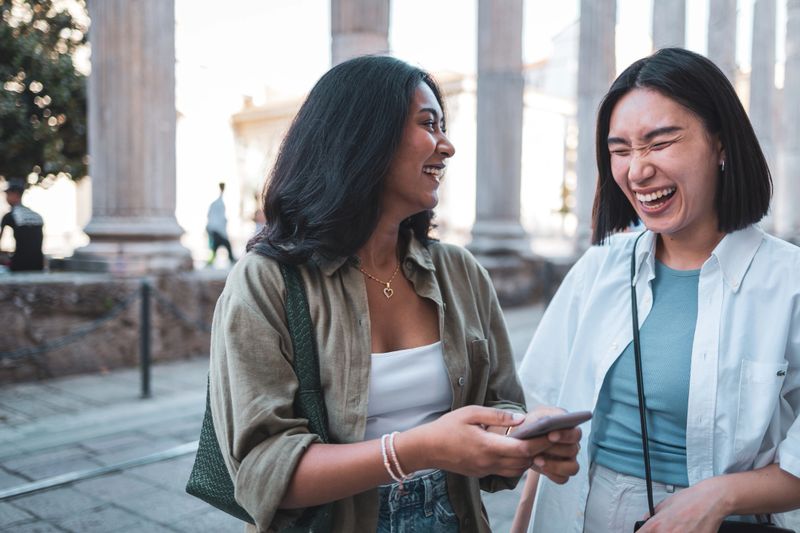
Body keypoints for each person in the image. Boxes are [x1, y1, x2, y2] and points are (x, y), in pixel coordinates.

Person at [209, 55, 581, 533]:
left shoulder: (460, 271)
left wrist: (523, 435)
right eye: (429, 125)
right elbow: (262, 471)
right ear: (365, 137)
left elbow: (499, 403)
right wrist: (420, 448)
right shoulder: (267, 281)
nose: (446, 146)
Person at [514, 47, 800, 533]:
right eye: (620, 149)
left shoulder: (788, 282)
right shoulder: (599, 269)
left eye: (660, 142)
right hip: (579, 512)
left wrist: (721, 495)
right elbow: (549, 418)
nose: (636, 170)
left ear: (722, 144)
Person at [0, 179, 44, 272]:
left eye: (8, 194)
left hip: (19, 265)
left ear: (15, 194)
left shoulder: (10, 216)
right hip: (38, 265)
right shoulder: (37, 216)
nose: (6, 197)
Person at [206, 181, 236, 265]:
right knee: (220, 245)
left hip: (216, 229)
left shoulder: (217, 203)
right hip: (216, 229)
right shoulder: (218, 203)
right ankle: (212, 261)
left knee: (216, 247)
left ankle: (212, 261)